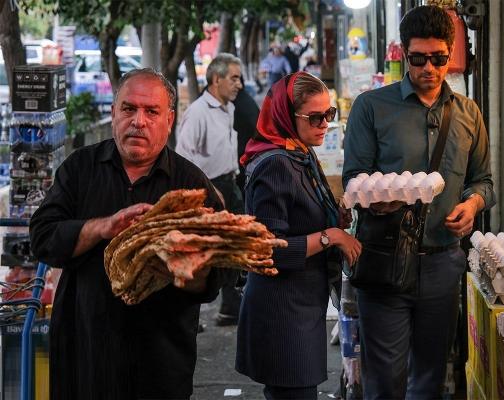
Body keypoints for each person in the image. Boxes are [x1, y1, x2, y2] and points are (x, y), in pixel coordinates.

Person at [29, 68, 237, 399]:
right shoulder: (80, 169)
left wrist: (191, 270)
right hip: (85, 360)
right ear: (113, 113)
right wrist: (103, 227)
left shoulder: (191, 185)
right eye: (129, 109)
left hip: (159, 368)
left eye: (151, 111)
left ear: (169, 121)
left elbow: (222, 272)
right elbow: (42, 238)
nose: (138, 121)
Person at [342, 5, 495, 399]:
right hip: (385, 259)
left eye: (439, 58)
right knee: (384, 381)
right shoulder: (371, 107)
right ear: (402, 54)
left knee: (430, 377)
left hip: (443, 262)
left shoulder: (468, 113)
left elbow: (484, 181)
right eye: (418, 59)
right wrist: (377, 202)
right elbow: (353, 181)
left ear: (451, 54)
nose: (429, 68)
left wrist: (474, 204)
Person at [236, 72, 362, 400]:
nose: (324, 124)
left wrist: (337, 216)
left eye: (329, 114)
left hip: (301, 306)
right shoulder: (275, 164)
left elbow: (301, 216)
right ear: (286, 116)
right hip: (281, 314)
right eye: (315, 117)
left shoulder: (300, 152)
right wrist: (331, 235)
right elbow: (267, 248)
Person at [176, 53, 244, 326]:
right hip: (209, 189)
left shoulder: (228, 107)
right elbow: (183, 156)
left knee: (233, 248)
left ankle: (231, 305)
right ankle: (186, 315)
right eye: (234, 78)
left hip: (229, 183)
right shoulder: (198, 112)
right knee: (202, 253)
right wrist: (207, 188)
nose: (239, 84)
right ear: (216, 79)